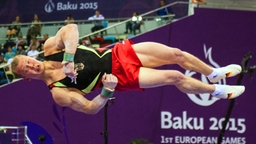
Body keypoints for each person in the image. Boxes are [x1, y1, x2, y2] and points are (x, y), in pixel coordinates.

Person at [10, 24, 245, 115]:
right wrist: (106, 91)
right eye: (27, 70)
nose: (32, 65)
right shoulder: (58, 91)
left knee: (176, 54)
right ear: (27, 78)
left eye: (28, 61)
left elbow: (70, 29)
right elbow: (91, 108)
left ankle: (212, 72)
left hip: (118, 53)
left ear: (30, 57)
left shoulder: (51, 48)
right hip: (120, 76)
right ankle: (215, 90)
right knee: (174, 76)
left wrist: (69, 57)